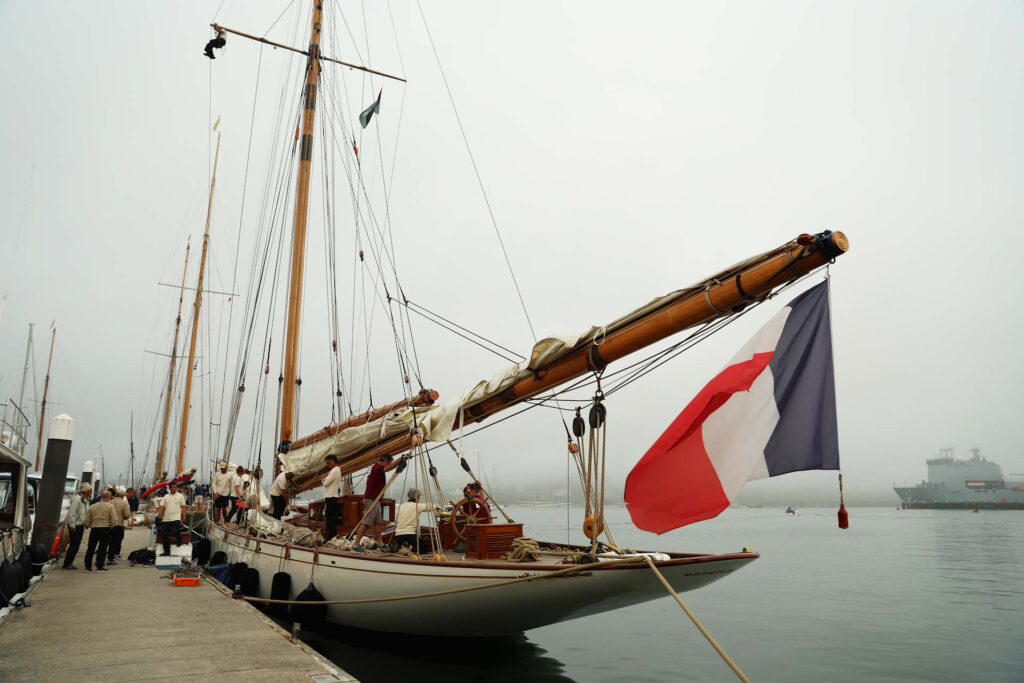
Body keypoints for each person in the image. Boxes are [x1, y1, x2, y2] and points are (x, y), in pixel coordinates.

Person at [352, 454, 407, 545]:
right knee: (366, 523)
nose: (388, 464)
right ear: (384, 461)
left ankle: (380, 543)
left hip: (375, 500)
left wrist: (400, 461)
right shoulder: (377, 468)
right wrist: (401, 458)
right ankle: (356, 543)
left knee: (377, 523)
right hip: (371, 500)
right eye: (388, 463)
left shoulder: (377, 468)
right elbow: (389, 467)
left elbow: (389, 466)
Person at [83, 490, 116, 572]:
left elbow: (87, 518)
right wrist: (111, 527)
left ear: (101, 496)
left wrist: (87, 525)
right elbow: (114, 519)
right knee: (102, 548)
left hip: (94, 528)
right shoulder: (110, 506)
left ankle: (88, 566)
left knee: (91, 547)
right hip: (105, 528)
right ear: (108, 496)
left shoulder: (93, 506)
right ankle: (99, 566)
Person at [62, 484, 92, 570]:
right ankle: (67, 564)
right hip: (75, 526)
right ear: (86, 491)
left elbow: (86, 513)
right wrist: (72, 525)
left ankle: (69, 562)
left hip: (80, 525)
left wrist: (86, 523)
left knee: (77, 545)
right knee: (73, 545)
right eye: (90, 491)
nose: (91, 493)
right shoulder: (76, 499)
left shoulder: (86, 500)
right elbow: (71, 513)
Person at [158, 482, 187, 556]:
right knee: (164, 536)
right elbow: (161, 506)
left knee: (175, 530)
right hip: (166, 519)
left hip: (176, 517)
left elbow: (183, 506)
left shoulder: (180, 496)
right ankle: (166, 552)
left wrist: (184, 516)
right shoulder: (165, 496)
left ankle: (180, 539)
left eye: (175, 487)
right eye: (173, 487)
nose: (174, 489)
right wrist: (159, 514)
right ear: (170, 488)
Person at [106, 486, 131, 564]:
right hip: (119, 525)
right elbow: (126, 515)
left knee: (108, 541)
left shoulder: (110, 502)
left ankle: (104, 557)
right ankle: (111, 558)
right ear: (123, 495)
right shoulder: (124, 503)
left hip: (109, 525)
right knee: (115, 542)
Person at [322, 455, 342, 540]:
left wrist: (323, 478)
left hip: (330, 496)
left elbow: (325, 483)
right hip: (333, 496)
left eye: (328, 462)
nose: (327, 464)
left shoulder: (334, 470)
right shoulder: (337, 470)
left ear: (333, 461)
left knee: (330, 517)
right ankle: (332, 535)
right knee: (332, 516)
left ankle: (331, 536)